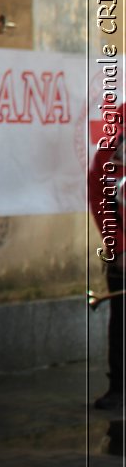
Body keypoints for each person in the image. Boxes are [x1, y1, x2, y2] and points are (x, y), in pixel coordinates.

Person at [88, 113, 124, 414]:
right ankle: (119, 388)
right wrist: (120, 249)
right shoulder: (111, 150)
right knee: (122, 322)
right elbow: (100, 199)